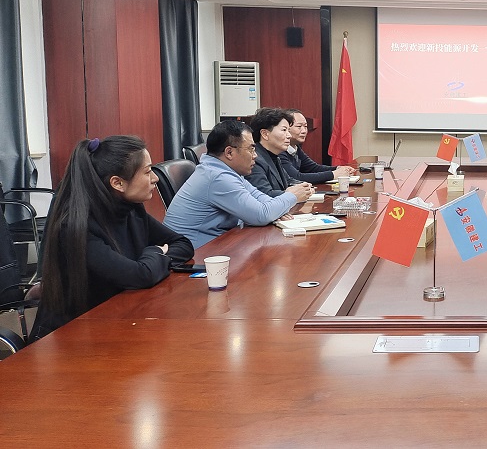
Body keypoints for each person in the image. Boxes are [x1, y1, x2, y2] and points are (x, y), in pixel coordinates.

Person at [31, 136, 195, 339]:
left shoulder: (131, 209)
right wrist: (155, 252)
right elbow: (139, 276)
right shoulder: (77, 226)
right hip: (73, 336)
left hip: (119, 320)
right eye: (147, 172)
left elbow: (183, 244)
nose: (155, 178)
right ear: (118, 183)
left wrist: (152, 262)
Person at [164, 120, 313, 248]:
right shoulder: (217, 177)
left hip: (219, 245)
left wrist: (277, 211)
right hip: (195, 257)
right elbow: (261, 215)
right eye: (251, 149)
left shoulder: (224, 170)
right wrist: (292, 196)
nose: (255, 155)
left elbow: (258, 197)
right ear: (229, 152)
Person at [246, 107, 314, 198]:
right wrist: (292, 194)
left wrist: (304, 186)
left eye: (288, 131)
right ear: (265, 134)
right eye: (284, 130)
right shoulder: (254, 160)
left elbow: (288, 181)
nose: (289, 136)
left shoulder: (274, 156)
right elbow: (263, 194)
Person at [280, 109, 356, 184]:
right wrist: (334, 174)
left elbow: (313, 168)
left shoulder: (295, 147)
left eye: (305, 126)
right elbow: (296, 177)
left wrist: (338, 168)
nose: (304, 131)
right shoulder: (280, 151)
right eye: (299, 126)